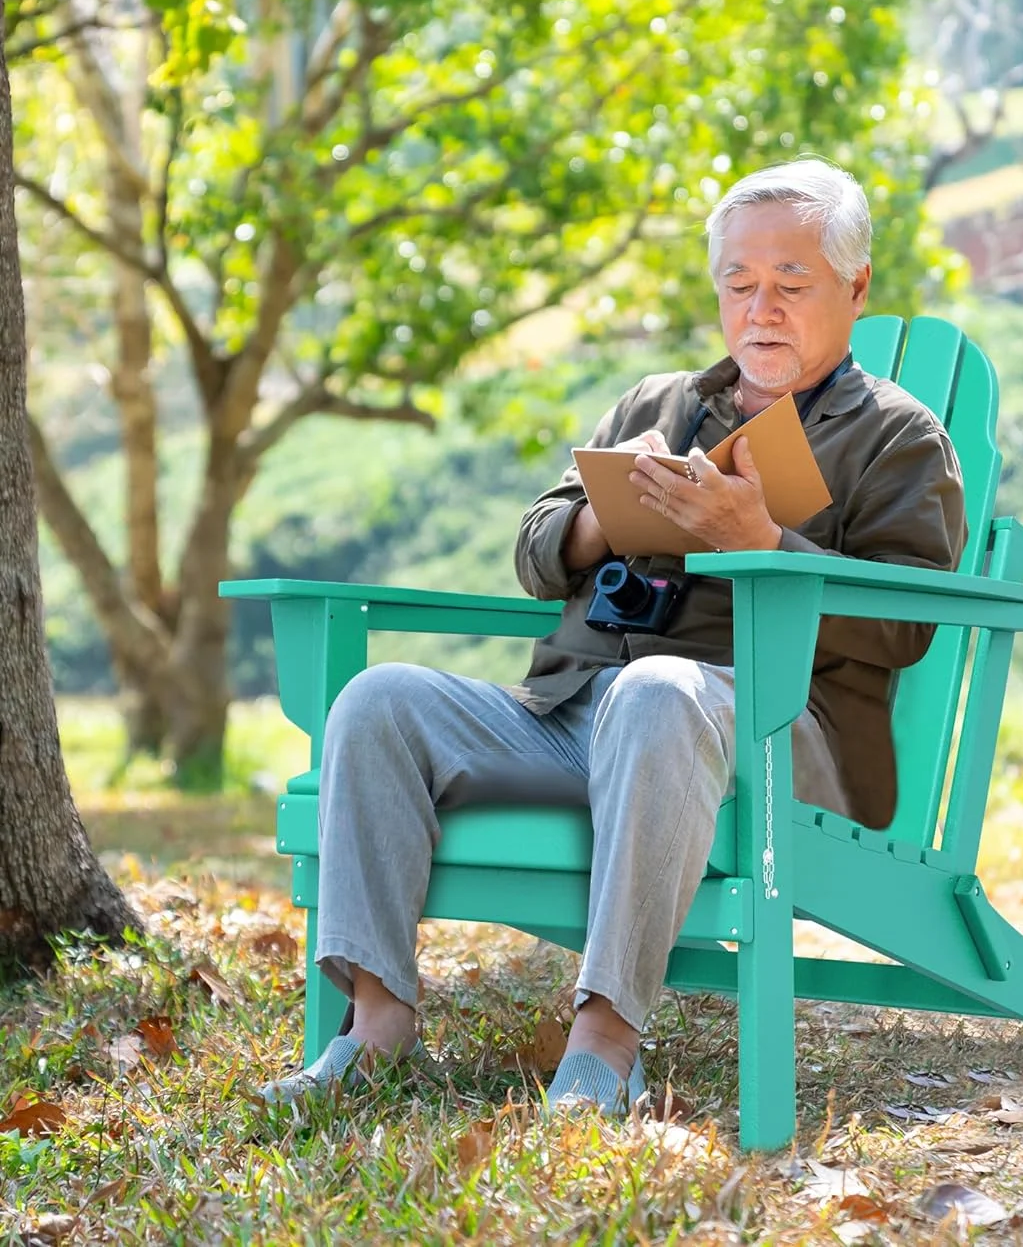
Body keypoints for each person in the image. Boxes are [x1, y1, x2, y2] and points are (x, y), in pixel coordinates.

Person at [261, 156, 967, 1115]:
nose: (762, 308)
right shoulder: (656, 406)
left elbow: (909, 622)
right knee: (380, 701)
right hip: (574, 710)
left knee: (660, 689)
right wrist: (602, 518)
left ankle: (604, 1044)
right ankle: (376, 1025)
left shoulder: (899, 437)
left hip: (765, 728)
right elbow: (535, 548)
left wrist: (762, 542)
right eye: (740, 284)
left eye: (792, 285)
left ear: (855, 288)